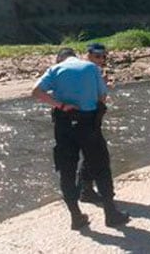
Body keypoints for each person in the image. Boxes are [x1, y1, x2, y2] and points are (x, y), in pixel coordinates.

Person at [32, 48, 129, 230]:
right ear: (75, 55)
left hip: (63, 124)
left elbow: (36, 92)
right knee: (100, 166)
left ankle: (76, 216)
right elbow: (102, 96)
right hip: (88, 123)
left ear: (60, 58)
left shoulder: (55, 69)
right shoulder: (91, 68)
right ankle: (111, 213)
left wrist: (60, 104)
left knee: (66, 169)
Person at [77, 43, 110, 204]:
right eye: (97, 56)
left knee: (85, 153)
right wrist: (104, 83)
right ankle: (87, 190)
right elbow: (101, 97)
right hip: (90, 115)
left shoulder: (79, 69)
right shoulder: (93, 70)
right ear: (88, 55)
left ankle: (81, 188)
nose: (101, 59)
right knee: (95, 154)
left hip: (75, 116)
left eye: (103, 56)